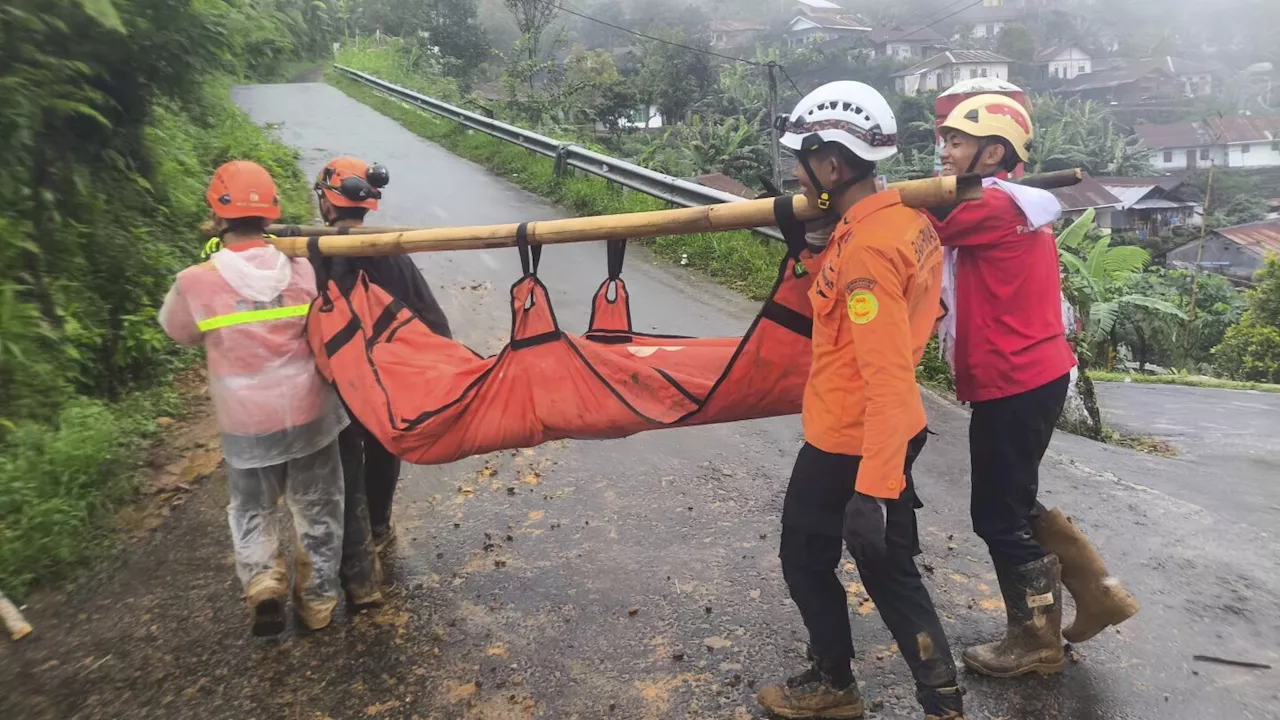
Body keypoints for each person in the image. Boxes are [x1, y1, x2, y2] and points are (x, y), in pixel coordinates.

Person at [756, 82, 966, 720]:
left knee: (806, 557)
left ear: (831, 166)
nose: (795, 170)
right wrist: (809, 235)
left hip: (853, 437)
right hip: (886, 430)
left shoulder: (869, 250)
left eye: (803, 159)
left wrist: (873, 488)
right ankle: (943, 702)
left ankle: (833, 685)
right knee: (890, 570)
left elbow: (886, 378)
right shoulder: (902, 220)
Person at [930, 94, 1139, 678]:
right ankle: (1099, 593)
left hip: (1016, 381)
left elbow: (915, 222)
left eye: (957, 142)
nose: (944, 152)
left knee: (997, 515)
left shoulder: (993, 207)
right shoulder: (1011, 201)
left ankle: (1037, 638)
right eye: (944, 141)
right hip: (1029, 376)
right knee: (1014, 501)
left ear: (993, 152)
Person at [159, 161, 348, 636]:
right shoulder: (302, 268)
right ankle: (318, 602)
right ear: (270, 214)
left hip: (245, 422)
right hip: (309, 410)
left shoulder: (195, 281)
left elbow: (179, 334)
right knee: (319, 505)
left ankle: (263, 579)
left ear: (217, 215)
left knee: (251, 507)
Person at [310, 157, 454, 608]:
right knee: (382, 446)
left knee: (345, 452)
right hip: (387, 376)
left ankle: (352, 550)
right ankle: (377, 525)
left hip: (341, 376)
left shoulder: (311, 252)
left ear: (327, 203)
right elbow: (431, 318)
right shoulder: (390, 251)